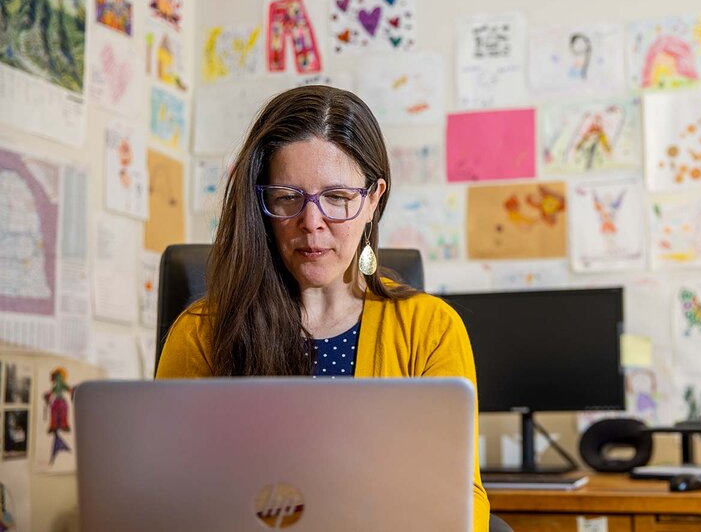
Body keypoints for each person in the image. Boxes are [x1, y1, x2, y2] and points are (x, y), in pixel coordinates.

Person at [156, 85, 489, 530]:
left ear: (373, 199)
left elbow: (460, 499)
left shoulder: (431, 329)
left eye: (337, 197)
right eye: (288, 198)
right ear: (261, 202)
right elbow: (165, 496)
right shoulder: (200, 333)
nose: (312, 223)